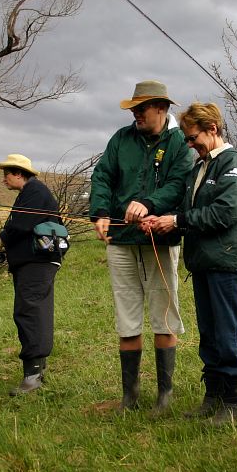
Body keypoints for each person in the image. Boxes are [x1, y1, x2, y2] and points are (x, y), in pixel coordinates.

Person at [141, 102, 237, 426]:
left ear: (212, 128)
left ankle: (233, 403)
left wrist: (177, 221)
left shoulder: (233, 164)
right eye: (187, 139)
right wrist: (159, 218)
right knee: (209, 333)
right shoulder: (200, 167)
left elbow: (226, 211)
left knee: (227, 331)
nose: (190, 144)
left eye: (193, 138)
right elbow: (183, 205)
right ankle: (213, 397)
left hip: (227, 261)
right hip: (204, 261)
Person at [89, 80, 193, 413]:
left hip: (159, 242)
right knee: (126, 317)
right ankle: (129, 397)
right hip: (120, 242)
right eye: (133, 109)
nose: (136, 114)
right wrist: (101, 213)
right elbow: (102, 175)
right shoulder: (121, 139)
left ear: (162, 109)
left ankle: (165, 395)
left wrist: (148, 203)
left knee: (164, 315)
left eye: (142, 108)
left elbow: (180, 185)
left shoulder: (180, 143)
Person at [0, 154, 63, 396]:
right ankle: (36, 372)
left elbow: (19, 225)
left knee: (29, 312)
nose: (3, 180)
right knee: (35, 311)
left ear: (18, 173)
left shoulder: (35, 192)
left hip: (35, 263)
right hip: (33, 263)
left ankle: (32, 377)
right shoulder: (29, 193)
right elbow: (18, 223)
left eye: (6, 175)